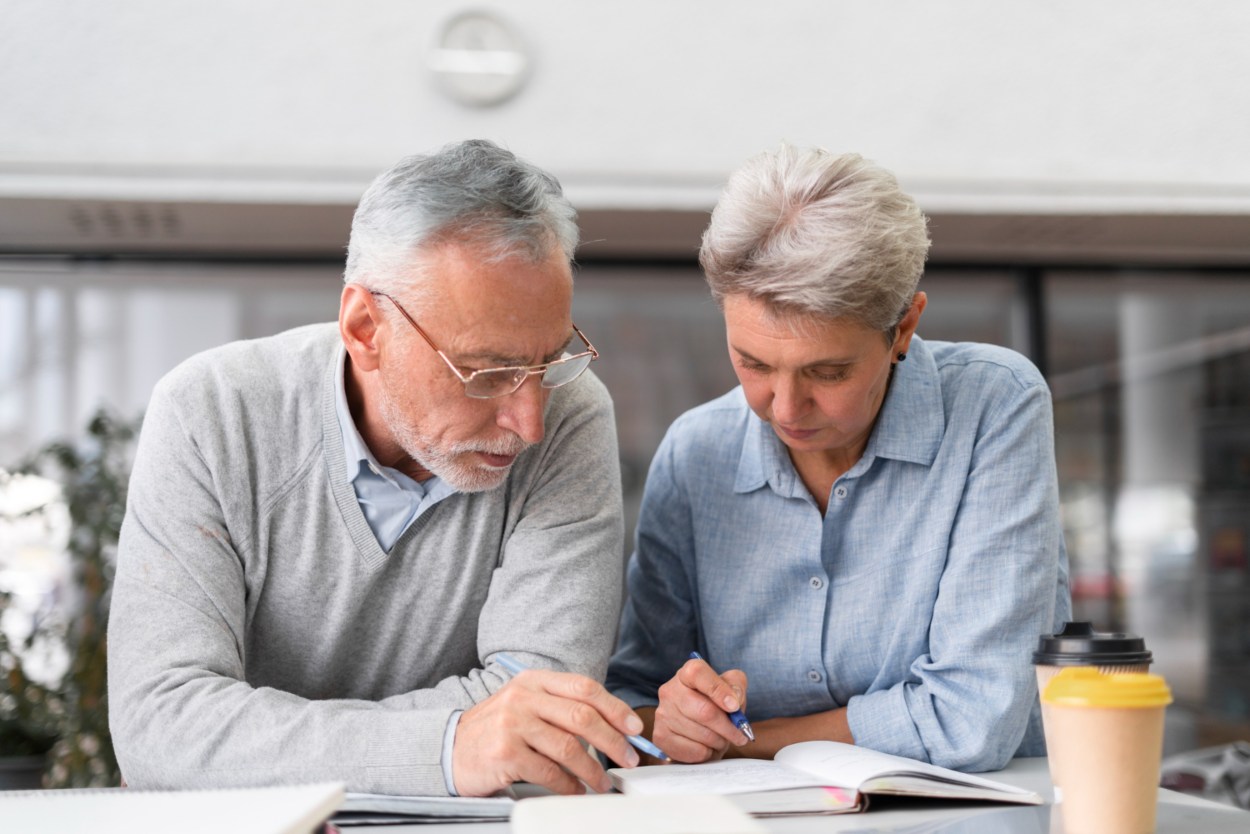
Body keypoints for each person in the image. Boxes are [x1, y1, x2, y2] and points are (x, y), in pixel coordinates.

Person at [108, 140, 643, 797]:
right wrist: (450, 748)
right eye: (489, 372)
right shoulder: (210, 412)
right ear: (366, 329)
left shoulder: (571, 414)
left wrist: (250, 742)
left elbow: (545, 717)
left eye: (549, 361)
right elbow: (161, 728)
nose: (529, 422)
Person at [606, 145, 1072, 773]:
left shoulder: (994, 405)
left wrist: (744, 739)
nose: (786, 405)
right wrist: (673, 717)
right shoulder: (697, 451)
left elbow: (972, 717)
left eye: (828, 371)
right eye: (754, 363)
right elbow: (634, 698)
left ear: (903, 328)